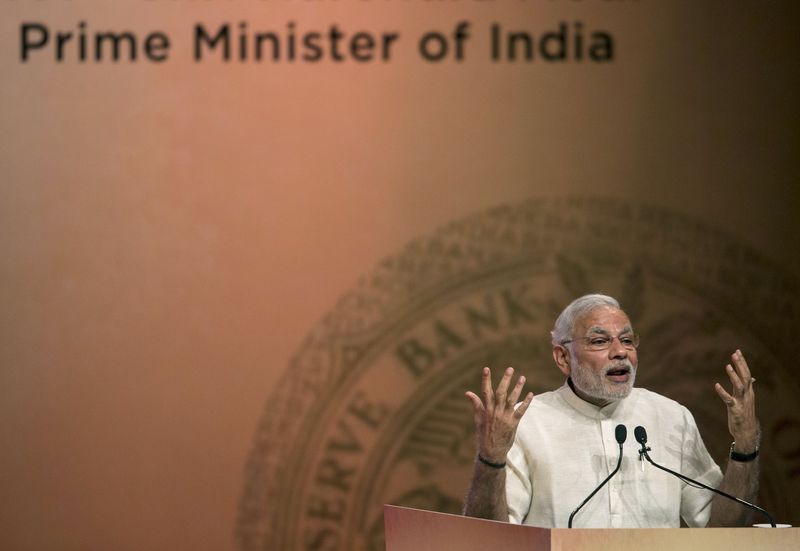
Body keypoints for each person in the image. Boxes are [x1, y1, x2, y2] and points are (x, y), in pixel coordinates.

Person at [462, 294, 760, 528]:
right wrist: (491, 459)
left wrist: (746, 447)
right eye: (600, 341)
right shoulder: (525, 421)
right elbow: (487, 537)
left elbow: (723, 527)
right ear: (563, 357)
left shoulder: (671, 417)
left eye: (628, 340)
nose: (620, 352)